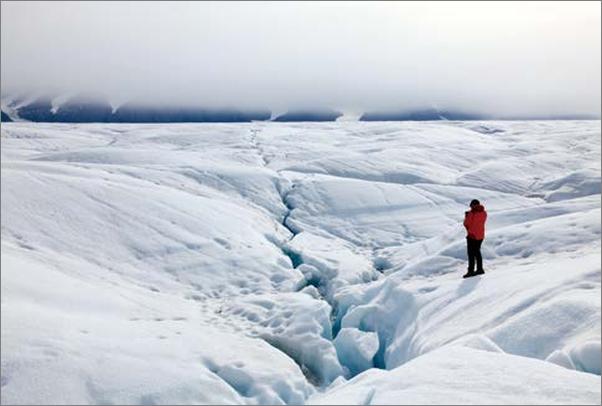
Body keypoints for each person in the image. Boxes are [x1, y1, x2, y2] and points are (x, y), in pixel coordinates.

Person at [463, 199, 487, 278]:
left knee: (471, 254)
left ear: (473, 205)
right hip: (480, 236)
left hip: (472, 236)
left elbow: (466, 224)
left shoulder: (472, 213)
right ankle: (480, 269)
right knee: (477, 252)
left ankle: (471, 271)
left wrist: (467, 216)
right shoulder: (484, 213)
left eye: (471, 205)